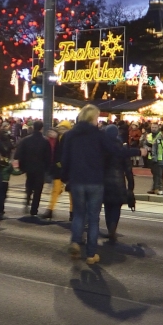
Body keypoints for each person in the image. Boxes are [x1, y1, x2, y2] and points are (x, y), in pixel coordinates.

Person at [56, 105, 113, 265]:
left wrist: (65, 178)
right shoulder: (98, 135)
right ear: (92, 118)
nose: (98, 121)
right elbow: (114, 151)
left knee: (79, 215)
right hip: (95, 181)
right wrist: (137, 152)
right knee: (93, 219)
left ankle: (75, 241)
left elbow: (65, 158)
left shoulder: (70, 135)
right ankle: (91, 254)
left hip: (77, 181)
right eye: (97, 118)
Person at [15, 126, 54, 217]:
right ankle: (34, 209)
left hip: (28, 167)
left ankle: (28, 199)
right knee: (38, 189)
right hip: (40, 168)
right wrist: (47, 168)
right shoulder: (45, 141)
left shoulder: (26, 140)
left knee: (29, 185)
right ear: (41, 129)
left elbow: (19, 153)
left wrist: (21, 166)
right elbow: (48, 156)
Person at [146, 127, 163, 195]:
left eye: (155, 127)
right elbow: (150, 146)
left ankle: (160, 188)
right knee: (157, 175)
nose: (153, 128)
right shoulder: (151, 136)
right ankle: (157, 188)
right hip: (157, 159)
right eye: (152, 127)